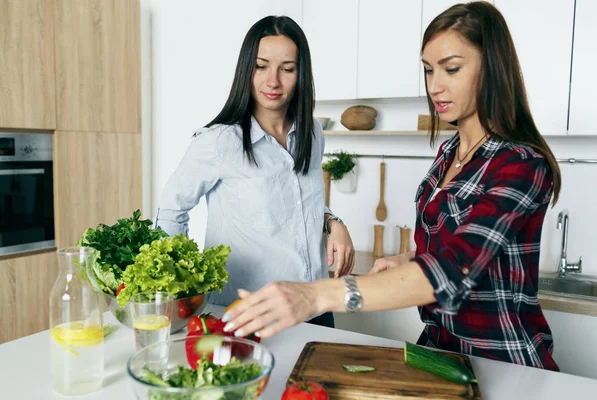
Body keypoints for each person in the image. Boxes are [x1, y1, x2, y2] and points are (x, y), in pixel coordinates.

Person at [222, 2, 561, 371]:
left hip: (505, 362)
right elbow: (456, 247)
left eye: (452, 69)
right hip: (439, 352)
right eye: (429, 71)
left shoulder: (520, 164)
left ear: (492, 70)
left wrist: (315, 296)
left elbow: (454, 269)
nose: (435, 85)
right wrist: (408, 261)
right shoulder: (450, 153)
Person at [154, 16, 355, 328]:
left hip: (314, 306)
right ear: (246, 68)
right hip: (249, 314)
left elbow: (300, 204)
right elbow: (170, 209)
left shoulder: (312, 133)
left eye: (287, 69)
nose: (272, 80)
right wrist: (178, 291)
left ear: (301, 74)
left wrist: (332, 223)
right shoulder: (220, 141)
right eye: (261, 66)